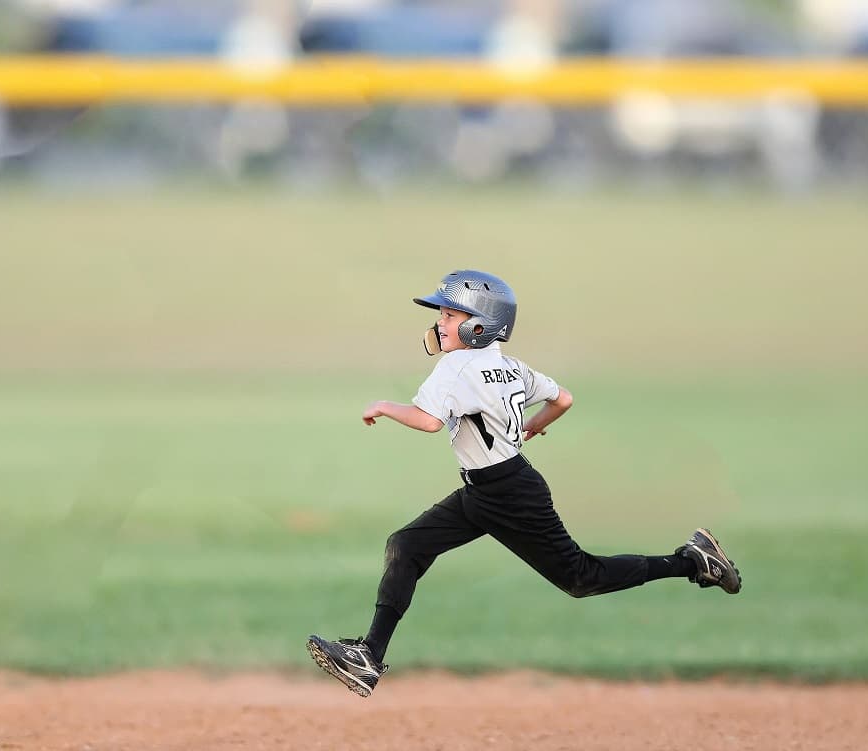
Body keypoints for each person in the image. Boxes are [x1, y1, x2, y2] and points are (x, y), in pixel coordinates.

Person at [306, 269, 741, 698]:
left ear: (481, 324)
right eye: (441, 311)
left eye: (451, 313)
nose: (440, 320)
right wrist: (531, 426)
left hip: (508, 496)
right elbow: (563, 398)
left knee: (581, 578)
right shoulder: (508, 365)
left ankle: (692, 561)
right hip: (491, 488)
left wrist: (384, 404)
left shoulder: (456, 367)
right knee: (407, 545)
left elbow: (429, 422)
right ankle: (368, 655)